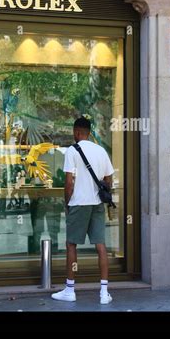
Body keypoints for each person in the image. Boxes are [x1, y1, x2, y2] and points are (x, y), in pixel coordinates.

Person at [51, 117, 114, 305]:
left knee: (71, 244)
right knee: (100, 245)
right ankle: (104, 292)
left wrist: (67, 203)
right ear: (89, 132)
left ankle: (70, 290)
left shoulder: (72, 151)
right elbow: (108, 181)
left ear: (78, 132)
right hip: (97, 204)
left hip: (79, 204)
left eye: (74, 132)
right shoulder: (101, 150)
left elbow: (69, 182)